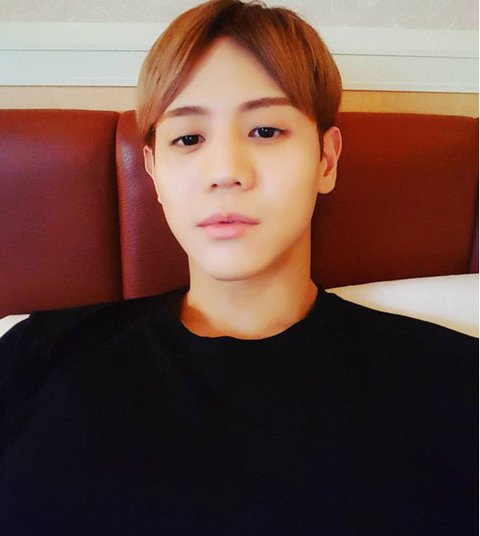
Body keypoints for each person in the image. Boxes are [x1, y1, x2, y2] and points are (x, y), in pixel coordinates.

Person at [0, 1, 477, 534]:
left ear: (326, 159)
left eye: (266, 131)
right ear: (153, 172)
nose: (225, 171)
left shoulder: (458, 385)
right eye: (188, 138)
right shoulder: (33, 358)